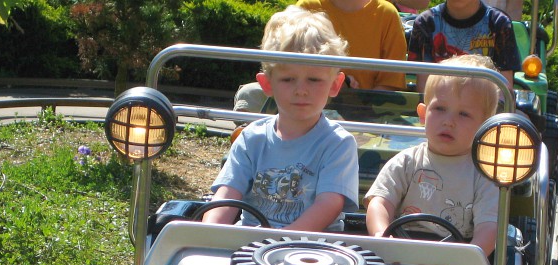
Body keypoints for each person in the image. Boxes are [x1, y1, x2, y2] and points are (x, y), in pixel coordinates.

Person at [205, 6, 359, 232]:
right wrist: (207, 231)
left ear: (335, 84)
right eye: (288, 79)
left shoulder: (338, 143)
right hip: (250, 246)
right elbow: (227, 195)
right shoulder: (251, 139)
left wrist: (277, 242)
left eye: (314, 80)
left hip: (313, 252)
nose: (301, 90)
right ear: (267, 84)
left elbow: (328, 206)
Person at [365, 54, 500, 255]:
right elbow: (379, 203)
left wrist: (468, 256)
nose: (449, 121)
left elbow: (489, 228)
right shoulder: (406, 162)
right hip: (400, 250)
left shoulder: (484, 175)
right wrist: (382, 237)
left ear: (485, 125)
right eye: (440, 109)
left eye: (463, 114)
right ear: (422, 114)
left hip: (457, 257)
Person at [234, 0, 407, 114]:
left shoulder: (387, 14)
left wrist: (353, 98)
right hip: (304, 92)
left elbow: (389, 84)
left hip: (359, 104)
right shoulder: (307, 6)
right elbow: (285, 65)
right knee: (249, 95)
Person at [407, 0, 521, 92]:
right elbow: (424, 90)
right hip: (440, 105)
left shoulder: (498, 23)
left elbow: (504, 90)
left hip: (484, 108)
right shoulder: (425, 23)